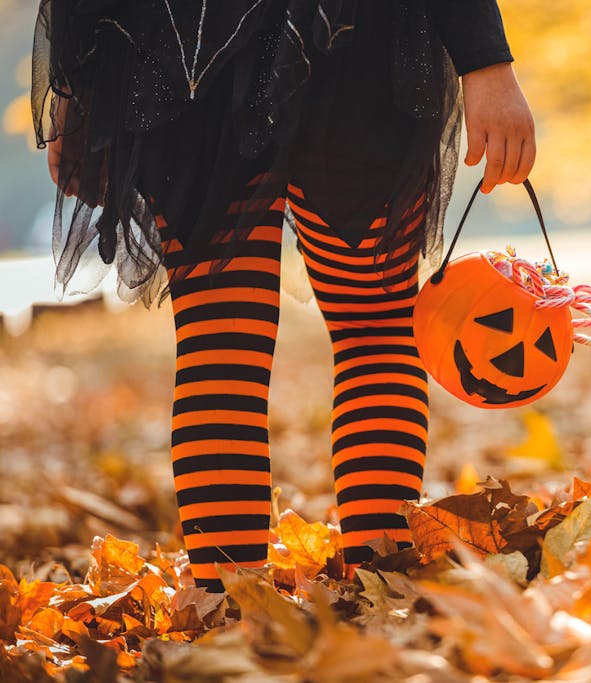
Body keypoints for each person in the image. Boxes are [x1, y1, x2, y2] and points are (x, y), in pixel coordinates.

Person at [33, 0, 536, 592]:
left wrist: (77, 77)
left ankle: (233, 602)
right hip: (316, 48)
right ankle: (370, 584)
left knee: (242, 336)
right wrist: (485, 60)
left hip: (200, 45)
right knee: (364, 330)